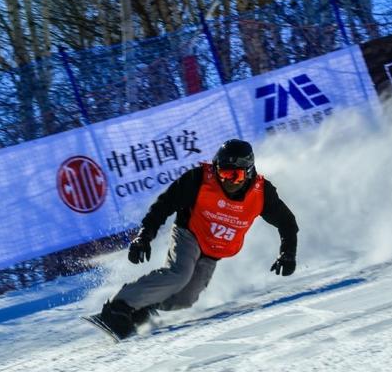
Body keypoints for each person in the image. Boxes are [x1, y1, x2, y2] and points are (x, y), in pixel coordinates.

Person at [99, 139, 298, 338]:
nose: (227, 180)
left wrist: (288, 253)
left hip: (213, 251)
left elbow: (287, 222)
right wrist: (144, 236)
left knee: (185, 298)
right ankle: (118, 307)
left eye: (234, 175)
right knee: (179, 275)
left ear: (249, 172)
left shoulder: (262, 193)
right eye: (223, 173)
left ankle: (140, 307)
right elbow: (164, 205)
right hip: (190, 233)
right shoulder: (198, 180)